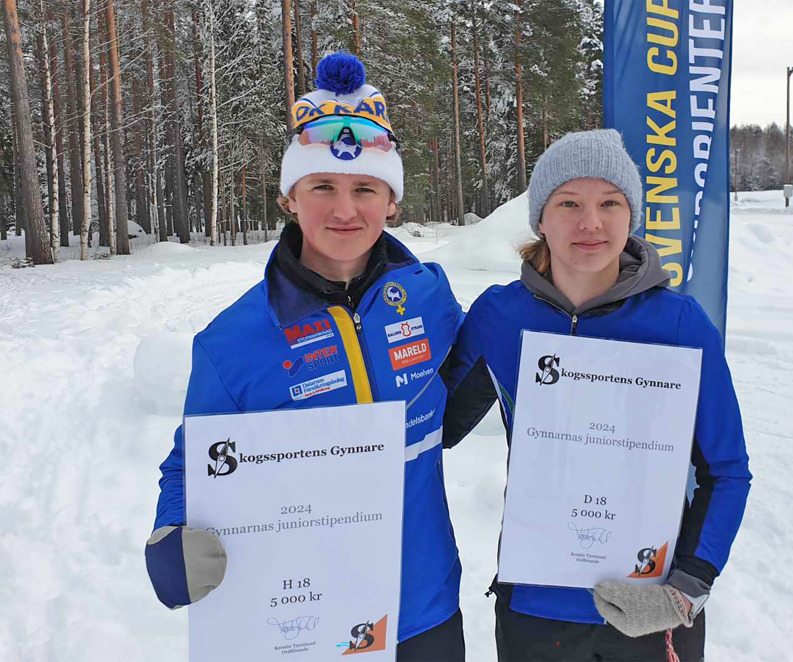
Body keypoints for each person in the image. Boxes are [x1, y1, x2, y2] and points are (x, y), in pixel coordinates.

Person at [145, 53, 466, 661]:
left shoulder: (429, 294)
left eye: (365, 189)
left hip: (424, 609)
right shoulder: (232, 342)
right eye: (322, 187)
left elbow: (465, 385)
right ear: (290, 197)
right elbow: (195, 463)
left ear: (392, 201)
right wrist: (171, 535)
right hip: (303, 621)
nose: (344, 210)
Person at [442, 129, 751, 661]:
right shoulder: (500, 316)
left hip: (651, 608)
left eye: (610, 202)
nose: (591, 222)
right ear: (540, 218)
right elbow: (433, 428)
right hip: (536, 608)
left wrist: (689, 586)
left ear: (631, 216)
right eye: (569, 203)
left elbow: (726, 470)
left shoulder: (679, 324)